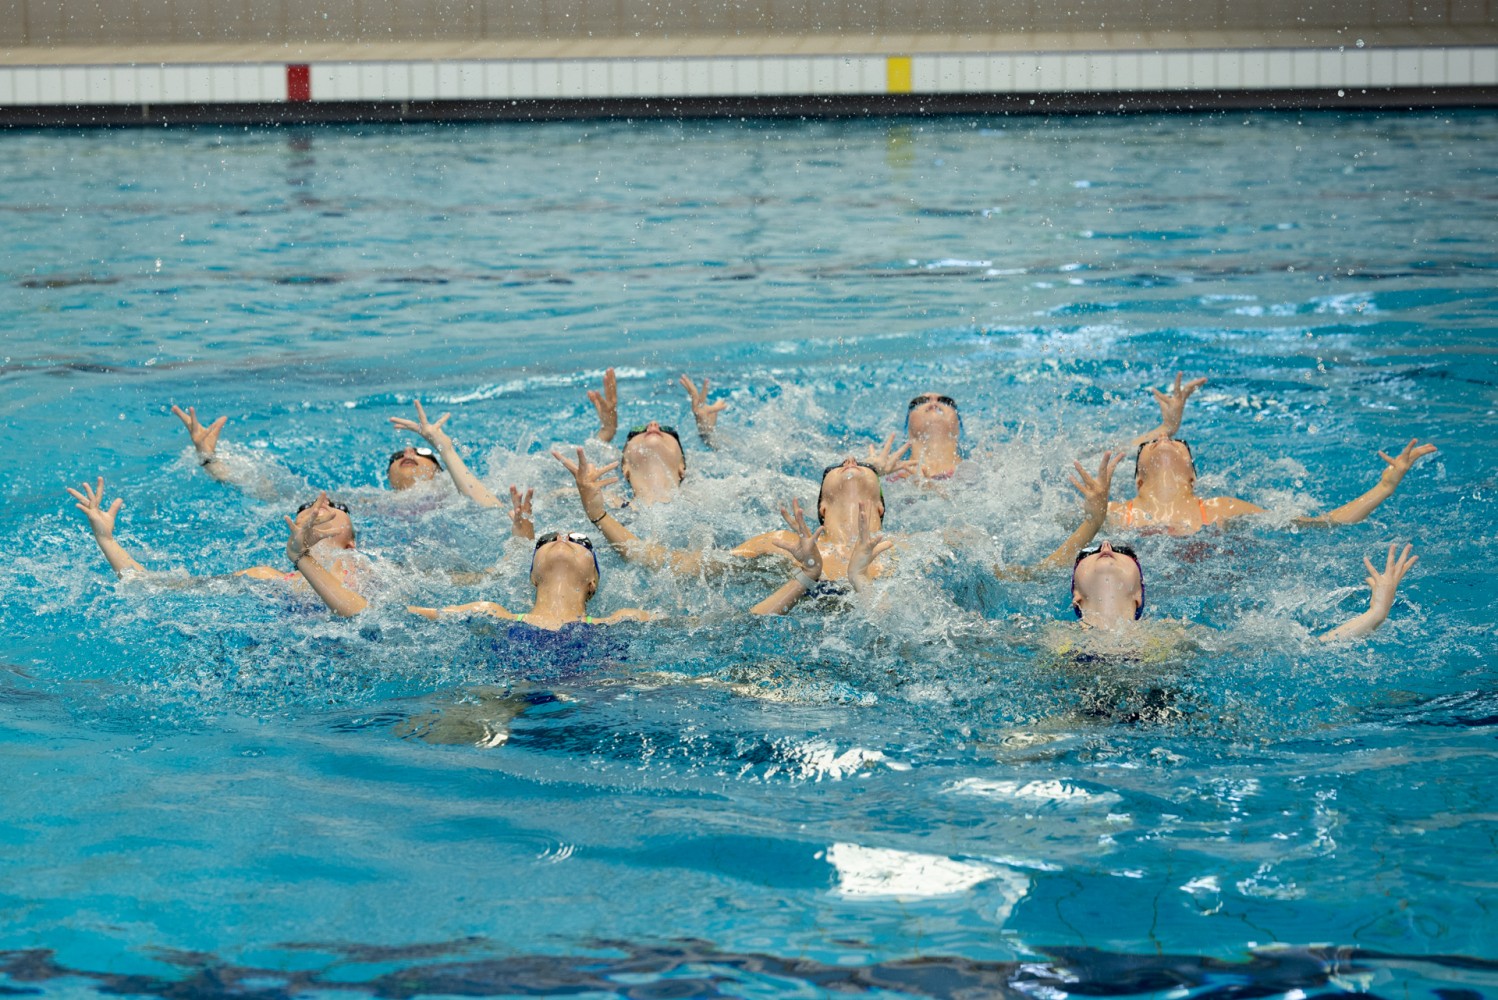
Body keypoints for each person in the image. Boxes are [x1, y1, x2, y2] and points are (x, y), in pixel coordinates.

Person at [408, 486, 835, 628]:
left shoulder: (625, 620)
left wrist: (807, 577)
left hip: (599, 700)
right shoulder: (489, 612)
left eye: (580, 538)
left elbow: (741, 625)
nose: (561, 536)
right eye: (547, 539)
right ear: (532, 576)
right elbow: (386, 614)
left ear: (594, 582)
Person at [1108, 375, 1436, 535]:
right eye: (1151, 444)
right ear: (1137, 478)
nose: (1164, 441)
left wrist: (1384, 487)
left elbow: (1319, 524)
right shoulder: (1111, 512)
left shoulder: (1221, 508)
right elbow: (1098, 459)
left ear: (1194, 476)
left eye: (1177, 442)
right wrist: (1167, 425)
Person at [67, 477, 369, 616]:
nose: (322, 505)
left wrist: (301, 558)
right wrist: (106, 540)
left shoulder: (367, 568)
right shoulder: (265, 577)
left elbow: (357, 613)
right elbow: (147, 586)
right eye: (308, 505)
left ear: (351, 543)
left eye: (336, 507)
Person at [1064, 539, 1418, 643]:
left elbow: (1301, 649)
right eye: (1090, 552)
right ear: (1076, 597)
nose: (1106, 546)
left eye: (1123, 553)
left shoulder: (1171, 636)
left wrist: (1376, 613)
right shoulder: (1044, 637)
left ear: (1140, 596)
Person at [171, 400, 501, 506]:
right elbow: (273, 495)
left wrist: (445, 447)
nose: (406, 453)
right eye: (396, 456)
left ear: (441, 468)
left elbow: (489, 509)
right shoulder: (368, 501)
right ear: (387, 478)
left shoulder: (455, 495)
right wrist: (209, 460)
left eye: (422, 450)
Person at [582, 368, 727, 507]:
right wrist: (607, 432)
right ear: (625, 467)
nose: (653, 425)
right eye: (636, 432)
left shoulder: (707, 500)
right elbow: (570, 489)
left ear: (682, 467)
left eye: (668, 431)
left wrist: (708, 435)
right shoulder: (605, 502)